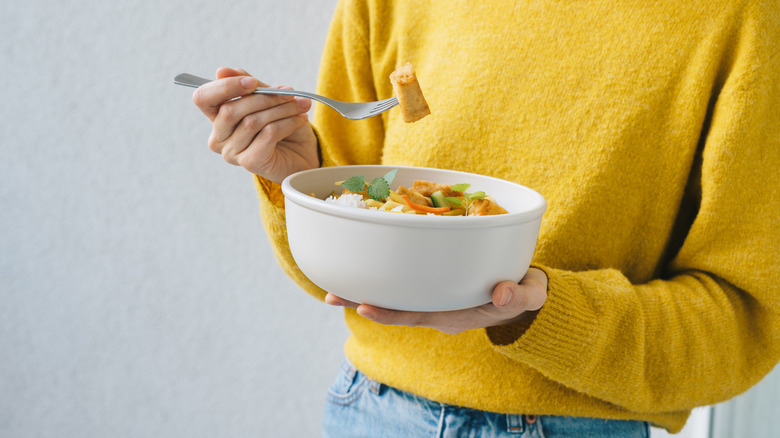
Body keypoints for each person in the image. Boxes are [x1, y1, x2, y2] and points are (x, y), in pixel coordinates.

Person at [191, 0, 780, 436]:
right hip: (369, 410)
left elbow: (743, 323)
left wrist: (543, 311)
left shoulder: (740, 19)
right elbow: (340, 268)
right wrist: (295, 174)